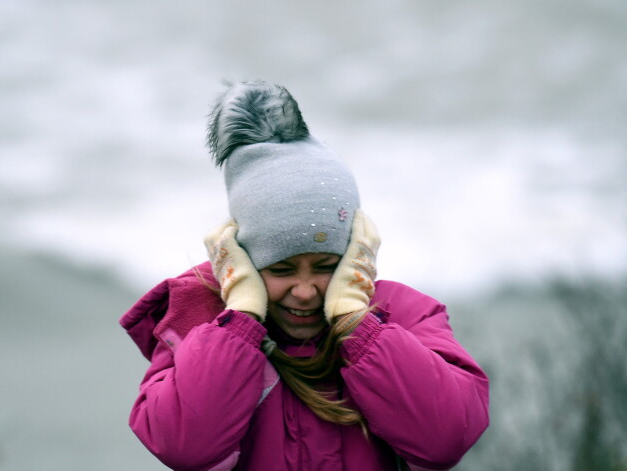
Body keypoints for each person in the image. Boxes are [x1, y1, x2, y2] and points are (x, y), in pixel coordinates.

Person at [120, 81, 489, 471]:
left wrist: (355, 321)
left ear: (354, 255)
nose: (305, 290)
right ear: (242, 259)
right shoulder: (197, 323)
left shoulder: (404, 316)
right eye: (281, 268)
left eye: (327, 266)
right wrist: (242, 315)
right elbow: (185, 446)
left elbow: (447, 438)